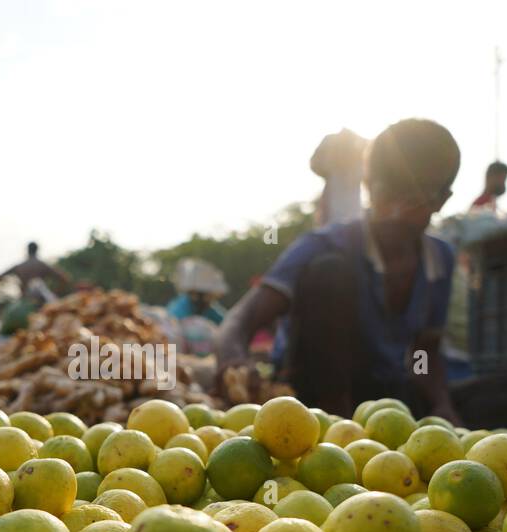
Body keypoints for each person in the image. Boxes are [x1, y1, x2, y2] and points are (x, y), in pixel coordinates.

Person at [215, 118, 462, 420]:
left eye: (413, 201)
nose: (396, 213)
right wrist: (234, 362)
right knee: (330, 272)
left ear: (441, 201)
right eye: (387, 196)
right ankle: (336, 419)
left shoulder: (439, 260)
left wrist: (441, 404)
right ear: (369, 186)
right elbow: (240, 320)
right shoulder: (327, 244)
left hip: (382, 396)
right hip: (309, 393)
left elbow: (425, 352)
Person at [311, 128, 368, 227]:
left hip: (353, 218)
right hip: (335, 218)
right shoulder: (333, 165)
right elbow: (315, 164)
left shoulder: (358, 161)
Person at [0, 242, 70, 299]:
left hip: (25, 299)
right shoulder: (42, 265)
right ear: (37, 250)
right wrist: (56, 292)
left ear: (27, 251)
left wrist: (11, 282)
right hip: (40, 301)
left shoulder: (19, 266)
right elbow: (64, 278)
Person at [166, 258, 227, 323]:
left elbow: (225, 320)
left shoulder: (208, 307)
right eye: (209, 294)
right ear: (196, 293)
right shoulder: (178, 309)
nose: (212, 298)